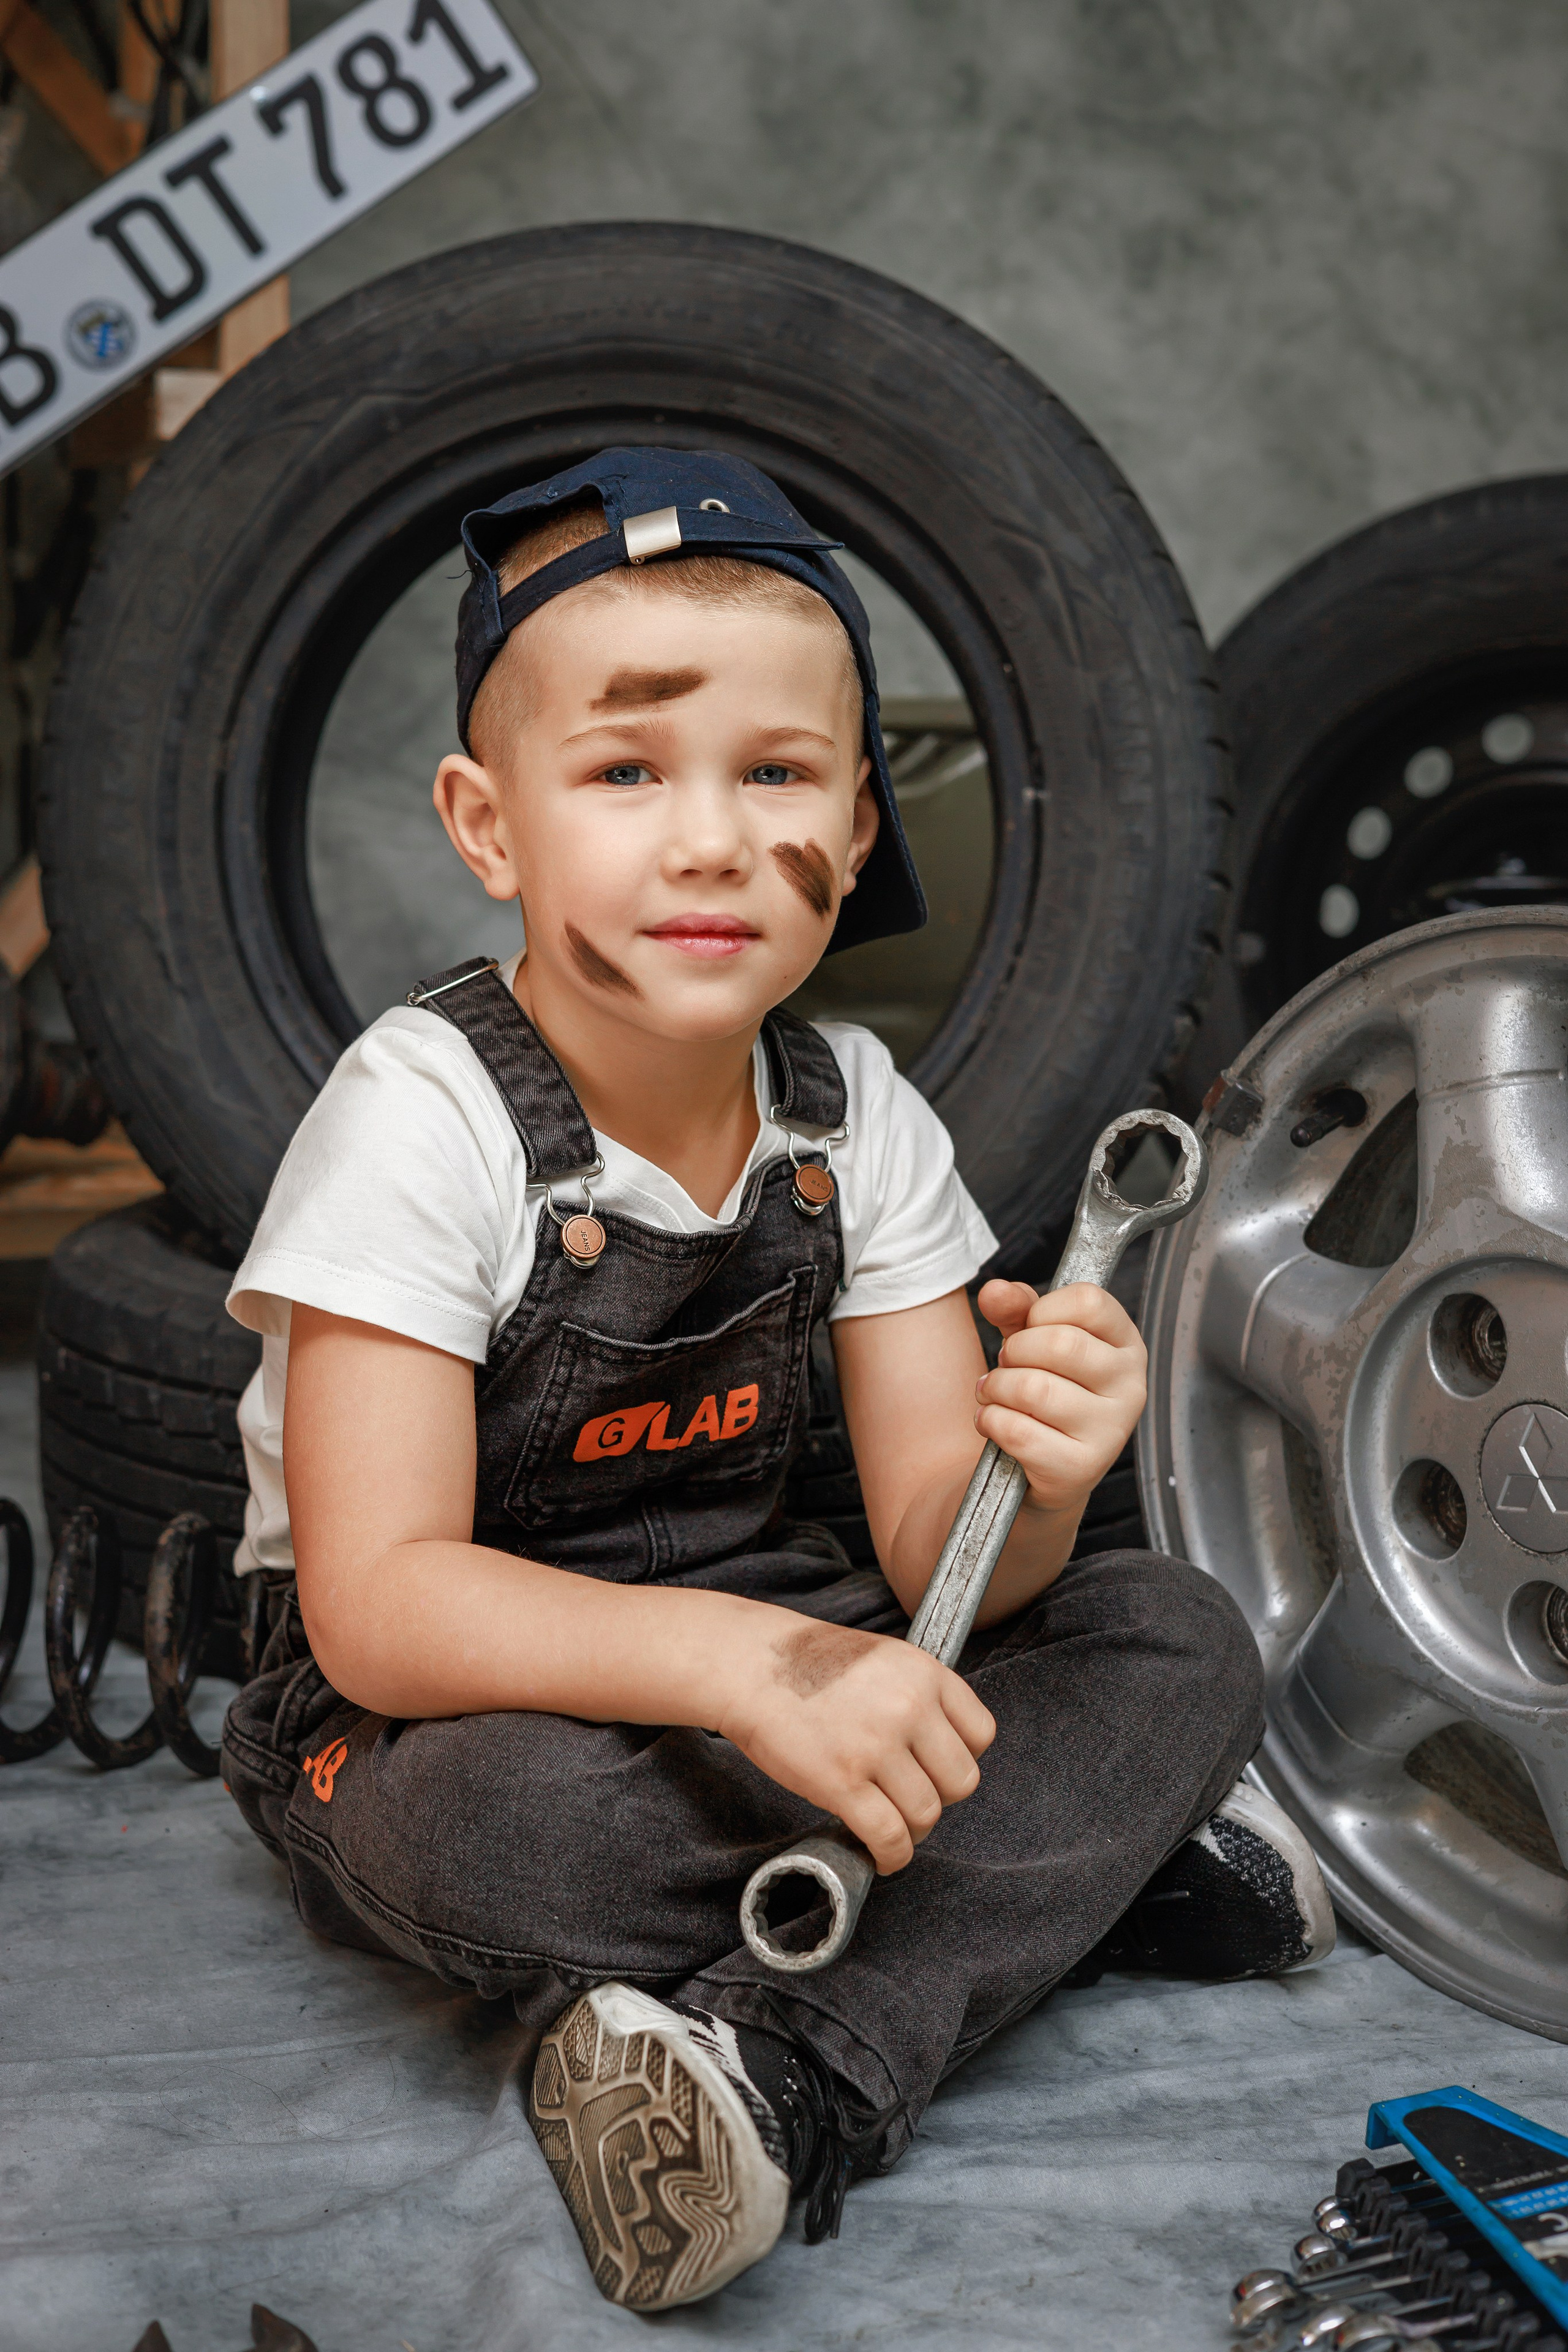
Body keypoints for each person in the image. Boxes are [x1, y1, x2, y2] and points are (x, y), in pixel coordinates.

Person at [221, 448, 1332, 2313]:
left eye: (782, 774)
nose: (717, 838)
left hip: (788, 1624)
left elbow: (927, 1562)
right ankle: (1069, 1884)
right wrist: (762, 1674)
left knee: (1176, 1640)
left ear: (861, 819)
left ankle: (774, 2065)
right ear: (489, 828)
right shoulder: (422, 1116)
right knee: (498, 1836)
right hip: (434, 1702)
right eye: (630, 771)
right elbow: (382, 1604)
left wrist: (1037, 1488)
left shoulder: (857, 1119)